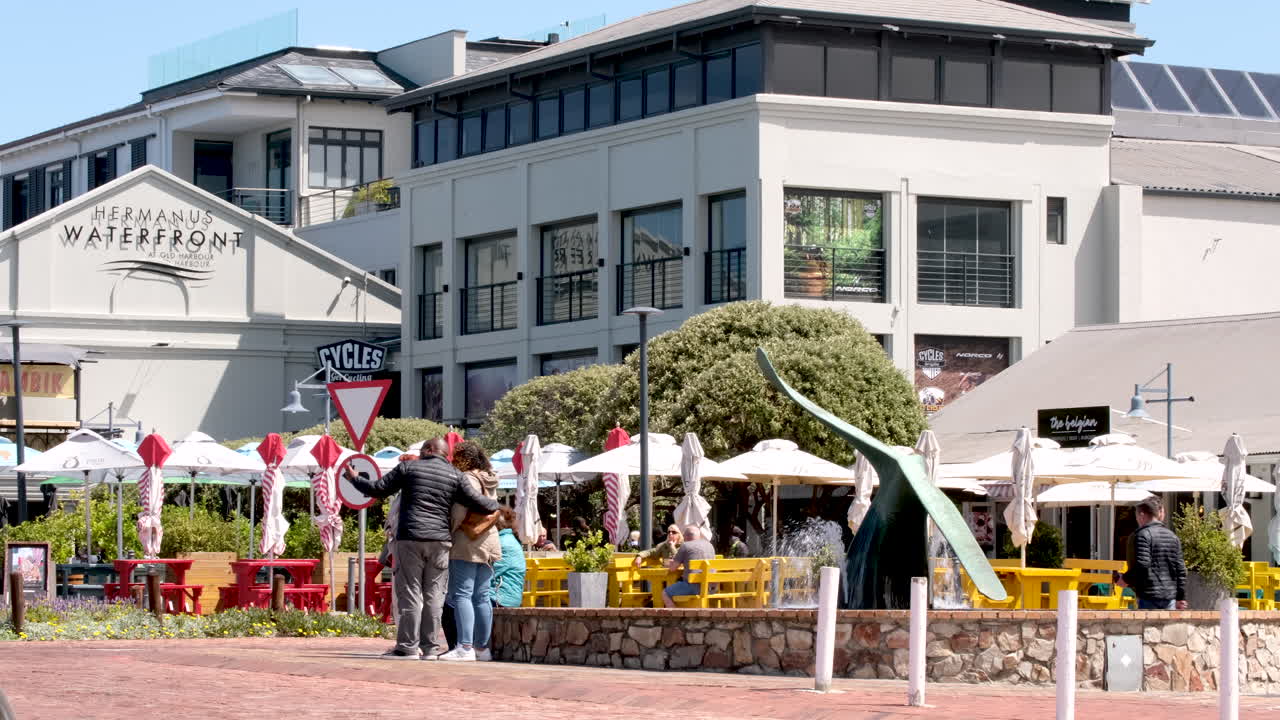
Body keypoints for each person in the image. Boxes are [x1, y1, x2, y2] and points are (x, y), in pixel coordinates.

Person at [345, 436, 499, 660]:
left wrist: (355, 478)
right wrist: (497, 507)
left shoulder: (408, 468)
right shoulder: (455, 475)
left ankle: (407, 647)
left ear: (427, 450)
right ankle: (430, 648)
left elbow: (378, 489)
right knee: (434, 595)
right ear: (445, 454)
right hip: (441, 542)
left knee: (410, 593)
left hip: (411, 539)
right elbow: (482, 504)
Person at [438, 441, 501, 662]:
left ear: (465, 458)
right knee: (482, 596)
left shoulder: (468, 479)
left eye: (456, 457)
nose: (453, 460)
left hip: (467, 541)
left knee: (462, 594)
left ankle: (465, 647)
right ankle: (482, 648)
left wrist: (449, 530)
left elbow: (458, 510)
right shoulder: (490, 478)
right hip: (489, 540)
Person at [1119, 497, 1188, 610]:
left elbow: (1142, 565)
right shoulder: (1173, 536)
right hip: (1170, 597)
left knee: (1148, 627)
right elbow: (1181, 570)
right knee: (1167, 627)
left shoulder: (1142, 535)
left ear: (1141, 514)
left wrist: (1125, 579)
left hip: (1148, 595)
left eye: (1136, 516)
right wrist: (1180, 597)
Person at [662, 525, 716, 608]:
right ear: (699, 535)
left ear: (685, 536)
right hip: (711, 587)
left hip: (694, 587)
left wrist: (669, 564)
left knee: (665, 593)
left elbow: (673, 568)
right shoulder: (710, 545)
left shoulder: (685, 546)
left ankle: (675, 616)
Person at [492, 508, 526, 609]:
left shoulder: (502, 543)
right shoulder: (508, 539)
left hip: (500, 598)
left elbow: (489, 574)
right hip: (507, 596)